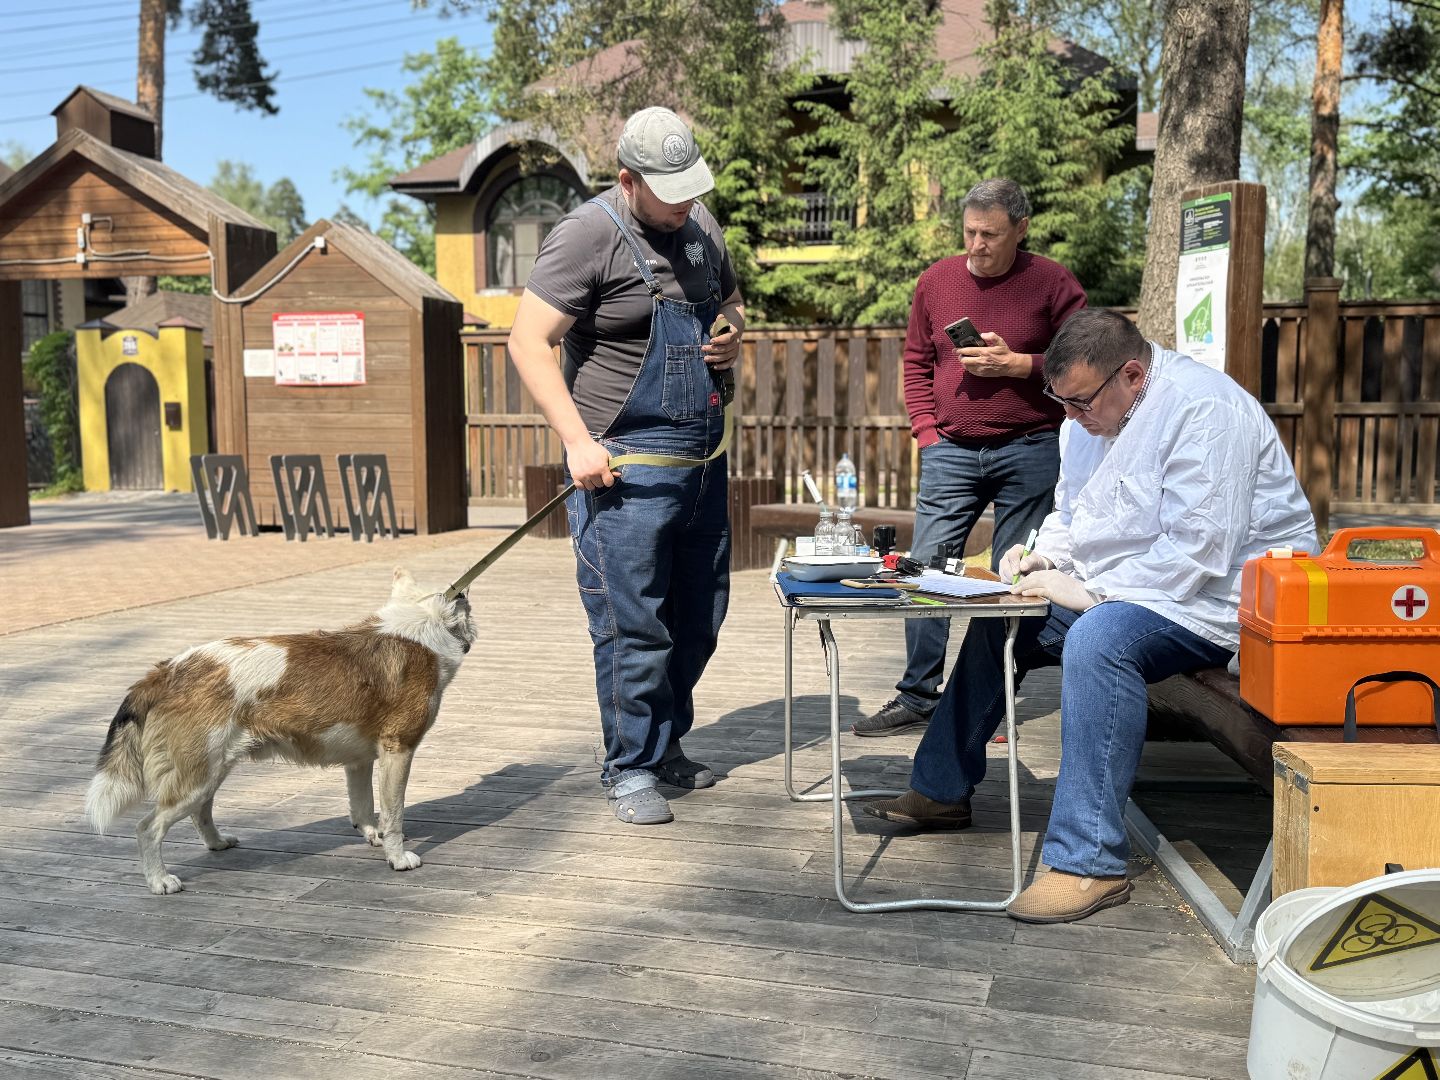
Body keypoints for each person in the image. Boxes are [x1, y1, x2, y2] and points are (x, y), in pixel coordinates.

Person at [864, 308, 1318, 923]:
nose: (1072, 418)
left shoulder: (1208, 411)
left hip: (1225, 604)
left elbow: (1197, 556)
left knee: (1100, 641)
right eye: (1063, 403)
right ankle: (941, 788)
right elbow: (1074, 511)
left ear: (1131, 374)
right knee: (1007, 613)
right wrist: (1043, 555)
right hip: (1136, 589)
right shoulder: (1087, 411)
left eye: (1081, 404)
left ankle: (1088, 863)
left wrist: (1085, 591)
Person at [507, 107, 745, 826]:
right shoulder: (585, 234)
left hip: (704, 460)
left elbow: (730, 302)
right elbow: (526, 342)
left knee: (700, 616)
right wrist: (576, 441)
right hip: (622, 465)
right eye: (667, 192)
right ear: (627, 180)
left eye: (689, 189)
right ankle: (629, 766)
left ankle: (667, 744)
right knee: (633, 624)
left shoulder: (701, 224)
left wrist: (733, 334)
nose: (682, 205)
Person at [856, 178, 1087, 738]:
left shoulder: (1052, 282)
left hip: (1030, 446)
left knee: (1014, 576)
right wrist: (926, 432)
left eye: (991, 234)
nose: (978, 245)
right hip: (951, 450)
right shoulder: (937, 281)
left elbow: (1083, 360)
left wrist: (1021, 366)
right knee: (927, 566)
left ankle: (994, 700)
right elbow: (915, 361)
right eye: (970, 233)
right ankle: (917, 695)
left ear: (1021, 229)